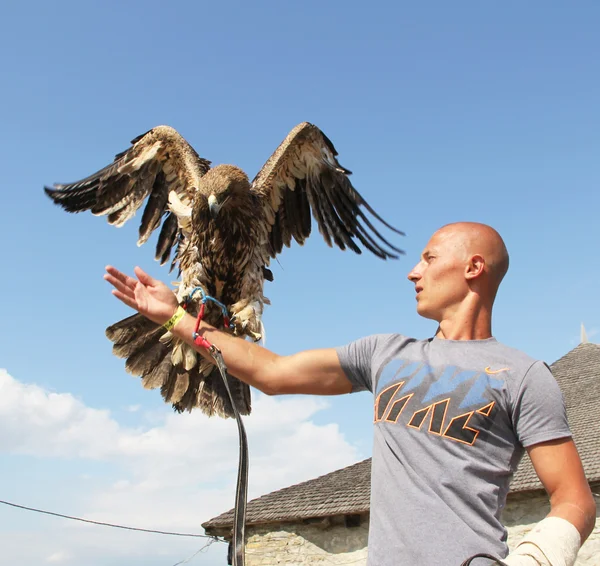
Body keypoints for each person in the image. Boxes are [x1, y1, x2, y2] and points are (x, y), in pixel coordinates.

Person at [104, 222, 596, 566]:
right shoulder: (385, 353)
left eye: (428, 258)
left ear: (473, 268)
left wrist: (535, 561)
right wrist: (175, 319)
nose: (413, 272)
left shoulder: (524, 376)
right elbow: (273, 373)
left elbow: (575, 499)